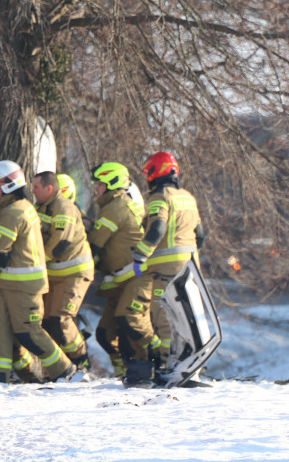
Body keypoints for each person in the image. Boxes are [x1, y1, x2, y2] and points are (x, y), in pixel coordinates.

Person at [0, 160, 76, 384]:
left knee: (29, 332)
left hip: (23, 285)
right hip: (9, 283)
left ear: (6, 184)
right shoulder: (18, 208)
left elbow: (0, 254)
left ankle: (64, 371)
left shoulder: (13, 212)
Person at [119, 151, 205, 386]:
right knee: (186, 316)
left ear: (155, 172)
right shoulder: (188, 197)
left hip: (166, 270)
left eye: (148, 172)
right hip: (191, 267)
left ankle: (168, 366)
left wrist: (140, 256)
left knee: (164, 318)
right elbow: (201, 235)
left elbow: (156, 229)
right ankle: (188, 364)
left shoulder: (160, 197)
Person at [85, 162, 144, 379]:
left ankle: (142, 367)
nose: (96, 189)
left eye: (99, 184)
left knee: (125, 325)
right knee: (104, 334)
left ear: (110, 183)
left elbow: (94, 244)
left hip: (129, 280)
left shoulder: (114, 208)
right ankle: (124, 373)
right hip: (118, 281)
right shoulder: (116, 205)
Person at [31, 171, 94, 368]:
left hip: (74, 273)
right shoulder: (41, 207)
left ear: (49, 189)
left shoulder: (63, 208)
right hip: (55, 274)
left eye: (36, 187)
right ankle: (62, 367)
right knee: (48, 323)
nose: (32, 191)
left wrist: (36, 261)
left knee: (61, 320)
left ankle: (81, 361)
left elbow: (60, 244)